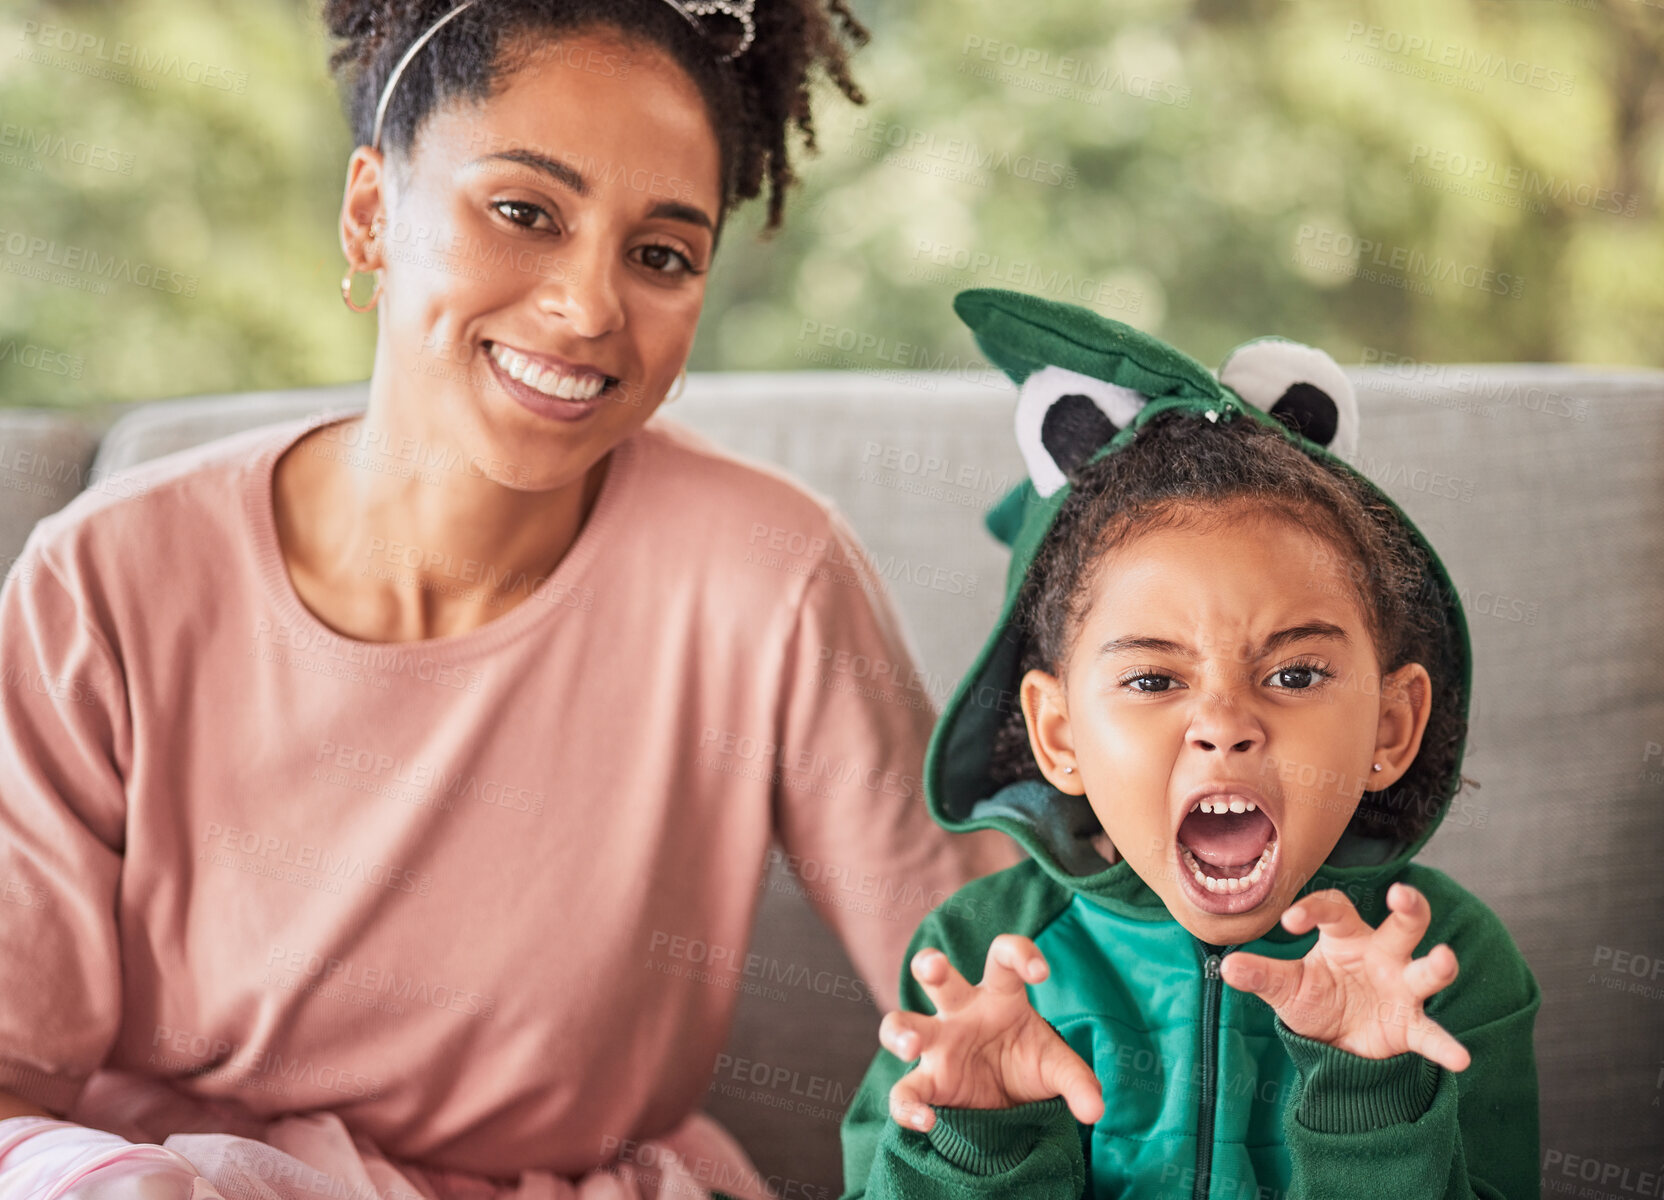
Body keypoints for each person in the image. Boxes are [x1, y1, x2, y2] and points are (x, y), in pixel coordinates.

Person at [0, 3, 1019, 1197]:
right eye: (524, 212)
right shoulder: (112, 576)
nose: (589, 307)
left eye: (659, 255)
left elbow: (984, 964)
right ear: (372, 212)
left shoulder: (764, 575)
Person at [839, 288, 1541, 1198]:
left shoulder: (1446, 965)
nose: (1223, 725)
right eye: (1154, 680)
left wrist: (1371, 1097)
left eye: (1293, 675)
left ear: (1392, 727)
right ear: (1060, 738)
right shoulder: (985, 959)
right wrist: (980, 1141)